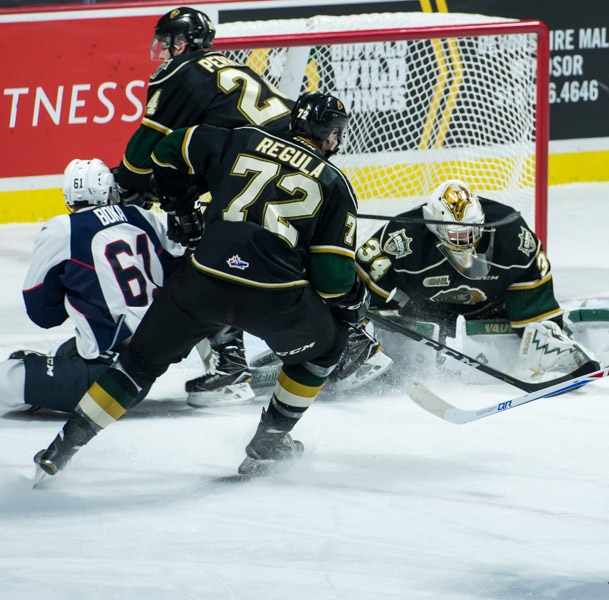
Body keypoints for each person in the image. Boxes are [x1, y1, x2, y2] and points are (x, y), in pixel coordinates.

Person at [32, 90, 363, 482]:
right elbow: (332, 280)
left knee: (138, 363)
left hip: (201, 282)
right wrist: (355, 300)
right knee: (328, 346)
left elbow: (169, 147)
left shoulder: (242, 137)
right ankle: (270, 441)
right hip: (273, 299)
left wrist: (182, 205)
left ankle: (62, 447)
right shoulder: (334, 182)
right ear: (329, 137)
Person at [116, 6, 296, 406]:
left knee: (212, 258)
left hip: (256, 175)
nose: (160, 52)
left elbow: (142, 153)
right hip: (299, 168)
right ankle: (354, 339)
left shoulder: (178, 72)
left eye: (164, 43)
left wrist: (127, 183)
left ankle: (230, 367)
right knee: (289, 254)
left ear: (180, 43)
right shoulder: (224, 66)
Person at [351, 179, 595, 379]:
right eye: (457, 235)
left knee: (542, 324)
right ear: (435, 227)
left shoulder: (511, 233)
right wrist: (357, 332)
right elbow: (361, 285)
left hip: (493, 308)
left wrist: (547, 325)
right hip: (425, 313)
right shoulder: (403, 239)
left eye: (471, 232)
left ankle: (553, 345)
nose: (466, 241)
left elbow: (531, 278)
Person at [0, 159, 184, 414]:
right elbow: (180, 273)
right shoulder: (142, 217)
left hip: (107, 380)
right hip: (148, 363)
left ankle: (44, 387)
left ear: (67, 196)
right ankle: (227, 365)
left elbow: (43, 314)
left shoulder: (62, 229)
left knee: (5, 377)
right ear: (110, 192)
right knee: (69, 350)